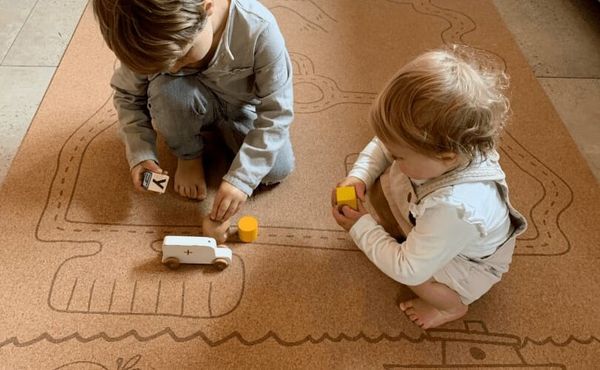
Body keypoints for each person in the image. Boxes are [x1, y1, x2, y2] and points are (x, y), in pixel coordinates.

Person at [331, 46, 527, 329]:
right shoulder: (443, 150)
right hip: (434, 218)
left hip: (468, 262)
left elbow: (407, 270)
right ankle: (414, 234)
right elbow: (383, 144)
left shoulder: (456, 208)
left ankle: (450, 308)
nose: (392, 155)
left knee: (420, 277)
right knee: (389, 185)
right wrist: (360, 176)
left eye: (399, 155)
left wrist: (359, 227)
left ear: (445, 157)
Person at [92, 0, 295, 222]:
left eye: (181, 56)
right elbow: (127, 96)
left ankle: (222, 134)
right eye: (162, 65)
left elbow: (277, 111)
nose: (173, 68)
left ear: (207, 8)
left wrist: (243, 178)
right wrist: (140, 153)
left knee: (277, 169)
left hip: (242, 109)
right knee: (165, 88)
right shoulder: (147, 40)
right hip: (182, 100)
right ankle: (188, 153)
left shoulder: (259, 29)